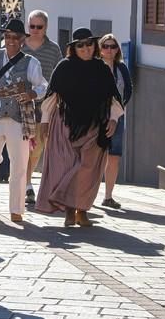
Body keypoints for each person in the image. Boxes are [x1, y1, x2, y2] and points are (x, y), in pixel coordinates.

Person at [35, 28, 123, 227]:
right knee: (67, 166)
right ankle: (69, 210)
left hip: (95, 125)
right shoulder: (64, 67)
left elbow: (112, 97)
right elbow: (52, 95)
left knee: (88, 169)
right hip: (65, 124)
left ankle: (81, 209)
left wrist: (114, 119)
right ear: (74, 48)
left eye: (89, 44)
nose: (85, 48)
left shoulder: (102, 69)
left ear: (94, 46)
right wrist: (45, 122)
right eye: (80, 45)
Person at [0, 19, 48, 223]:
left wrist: (32, 94)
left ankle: (16, 208)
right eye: (8, 36)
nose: (11, 41)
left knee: (19, 165)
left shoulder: (31, 63)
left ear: (22, 40)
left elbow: (43, 86)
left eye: (15, 38)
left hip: (18, 119)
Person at [22, 10, 63, 204]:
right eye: (32, 26)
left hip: (43, 105)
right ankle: (26, 184)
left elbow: (59, 75)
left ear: (46, 28)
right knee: (21, 146)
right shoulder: (20, 46)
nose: (35, 30)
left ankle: (26, 182)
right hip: (20, 105)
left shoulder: (53, 50)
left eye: (39, 27)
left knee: (36, 147)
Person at [99, 34, 132, 209]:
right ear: (100, 48)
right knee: (96, 156)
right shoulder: (96, 67)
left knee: (114, 156)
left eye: (113, 46)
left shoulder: (122, 68)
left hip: (118, 116)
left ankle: (108, 196)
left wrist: (118, 110)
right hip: (97, 118)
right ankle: (88, 194)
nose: (109, 50)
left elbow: (128, 90)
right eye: (105, 46)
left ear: (117, 49)